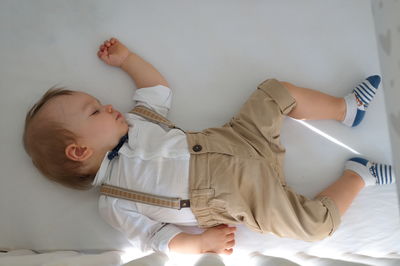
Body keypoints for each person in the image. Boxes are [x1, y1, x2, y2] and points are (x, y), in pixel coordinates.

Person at [23, 38, 396, 255]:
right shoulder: (114, 202)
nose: (107, 106)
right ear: (79, 151)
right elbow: (157, 239)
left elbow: (156, 90)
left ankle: (347, 109)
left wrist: (127, 60)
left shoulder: (137, 124)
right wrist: (202, 244)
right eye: (94, 111)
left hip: (241, 137)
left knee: (273, 92)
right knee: (314, 227)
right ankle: (358, 175)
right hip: (248, 197)